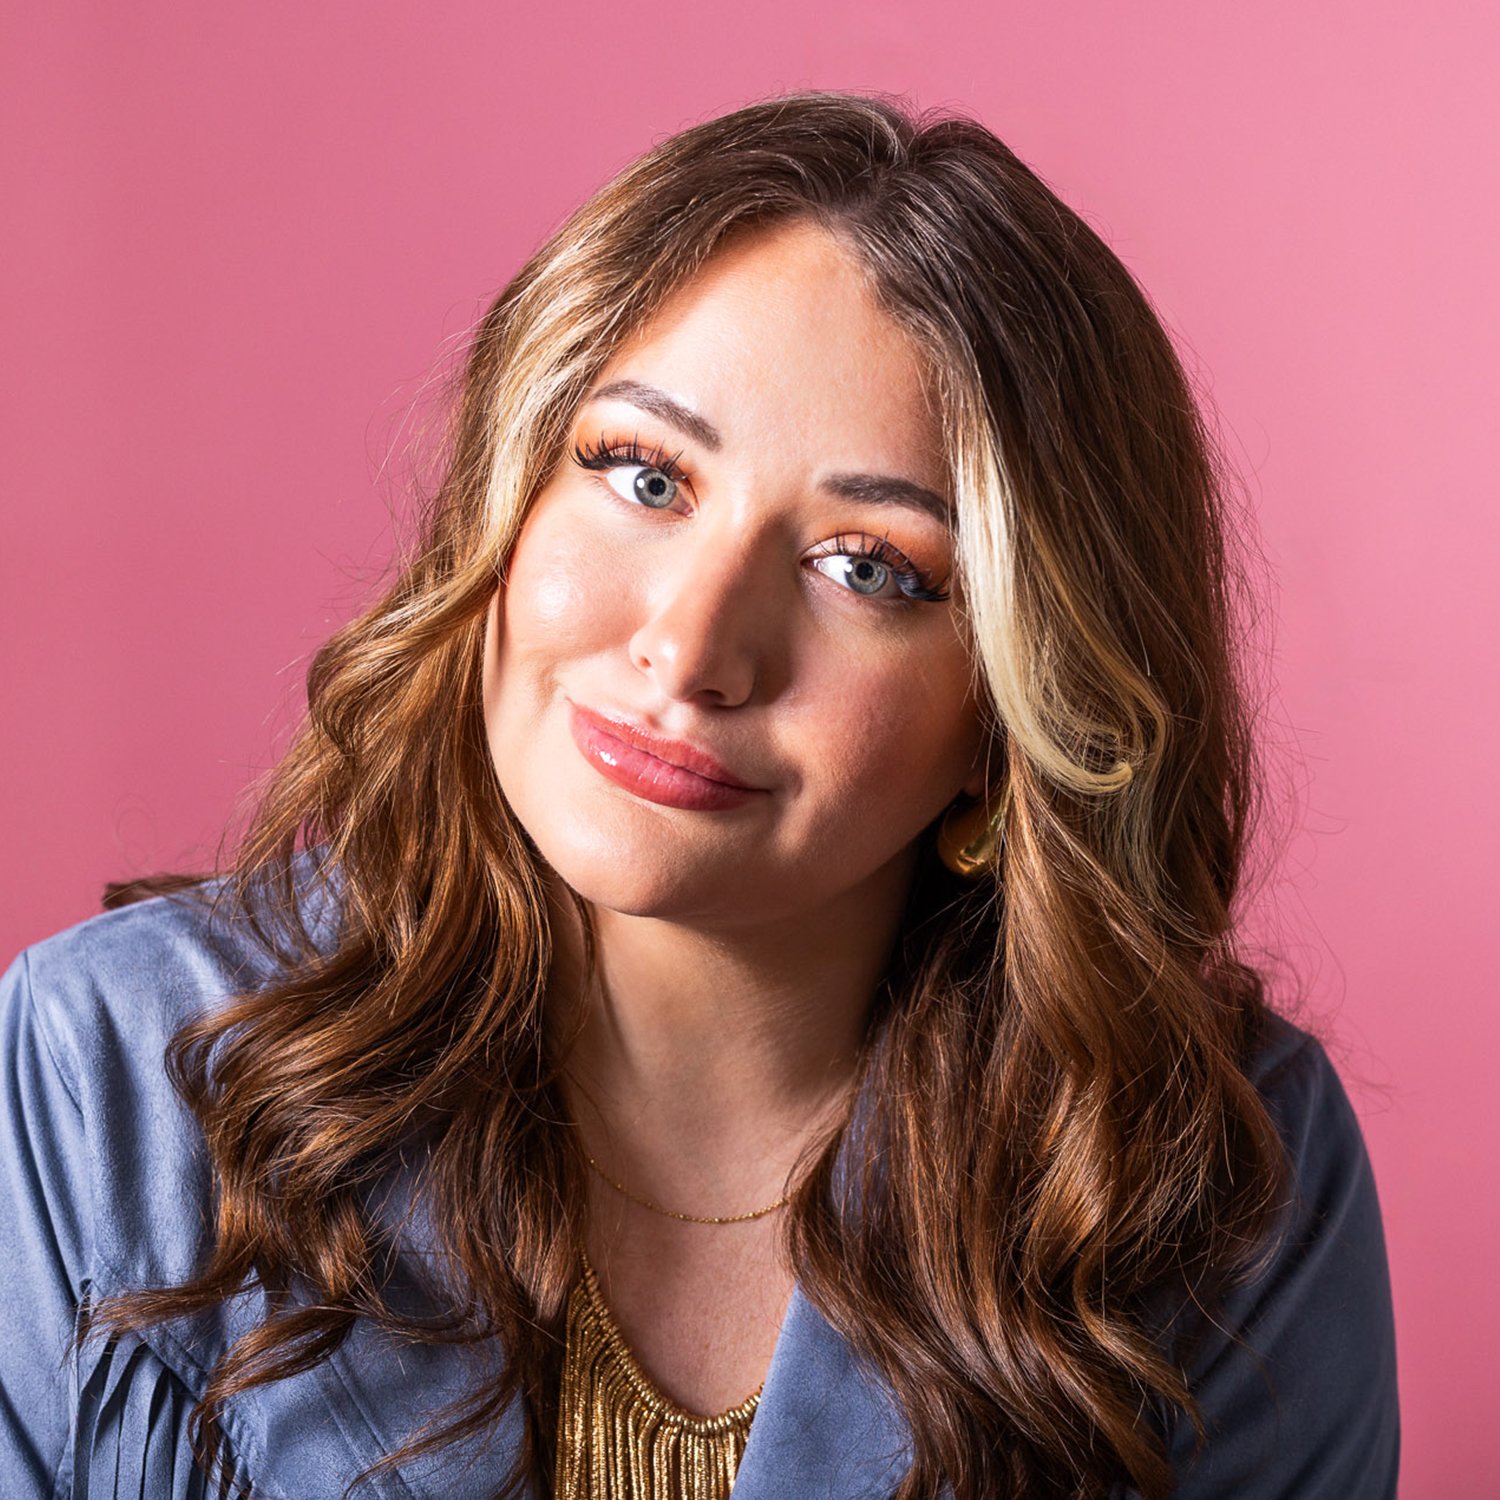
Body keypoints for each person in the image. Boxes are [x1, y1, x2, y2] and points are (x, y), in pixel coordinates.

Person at [0, 89, 1399, 1500]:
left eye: (870, 569)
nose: (691, 646)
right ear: (509, 493)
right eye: (643, 474)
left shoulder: (1216, 1177)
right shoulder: (102, 1074)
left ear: (1014, 713)